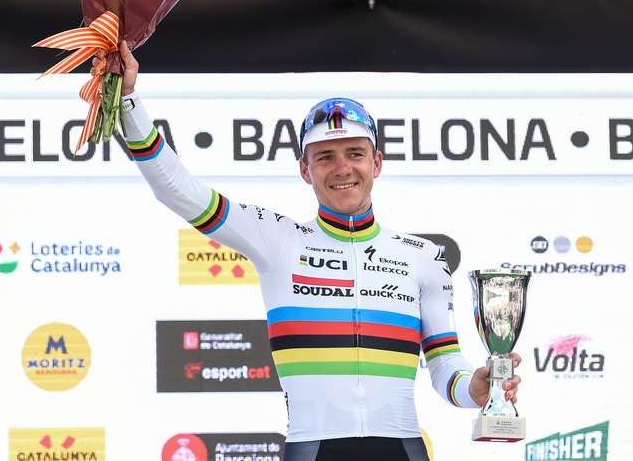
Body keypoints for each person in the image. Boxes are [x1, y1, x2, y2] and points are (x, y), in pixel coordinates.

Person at [99, 42, 522, 461]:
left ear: (376, 163)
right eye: (325, 157)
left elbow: (444, 361)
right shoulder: (277, 239)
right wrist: (130, 102)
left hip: (402, 448)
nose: (341, 168)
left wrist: (476, 389)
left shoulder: (423, 257)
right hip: (312, 449)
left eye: (355, 153)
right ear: (305, 170)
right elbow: (181, 192)